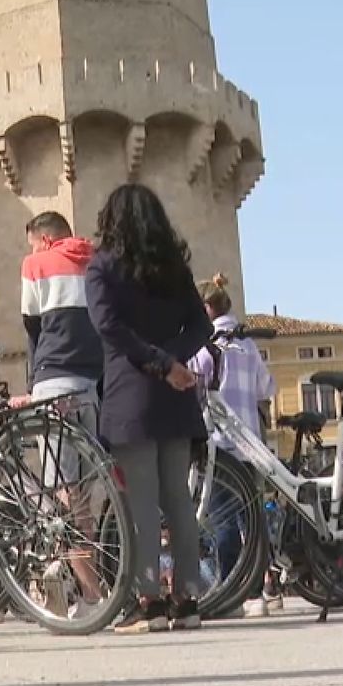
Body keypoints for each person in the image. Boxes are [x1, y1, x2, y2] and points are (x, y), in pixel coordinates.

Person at [84, 183, 213, 634]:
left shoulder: (102, 267)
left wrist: (158, 363)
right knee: (178, 498)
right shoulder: (174, 268)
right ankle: (189, 598)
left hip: (131, 392)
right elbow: (201, 323)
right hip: (175, 395)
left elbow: (109, 328)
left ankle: (149, 601)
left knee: (140, 502)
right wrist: (174, 360)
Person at [16, 210, 107, 617]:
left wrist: (32, 383)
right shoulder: (96, 263)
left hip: (53, 384)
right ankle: (78, 581)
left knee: (63, 498)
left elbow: (33, 330)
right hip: (91, 386)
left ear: (44, 239)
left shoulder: (36, 263)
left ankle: (89, 596)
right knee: (84, 495)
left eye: (32, 243)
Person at [186, 274, 276, 618]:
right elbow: (267, 389)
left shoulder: (208, 345)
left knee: (222, 521)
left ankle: (233, 594)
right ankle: (261, 592)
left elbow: (193, 385)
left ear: (207, 308)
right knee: (252, 519)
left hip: (220, 445)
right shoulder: (248, 344)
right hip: (250, 443)